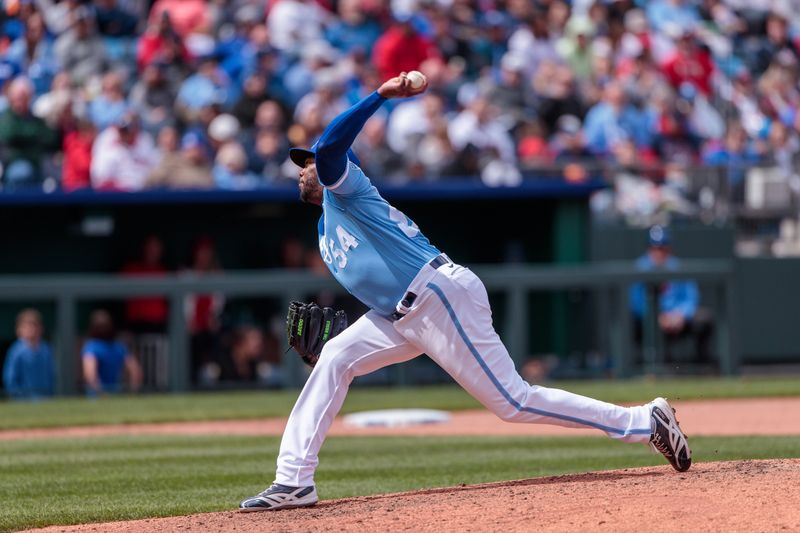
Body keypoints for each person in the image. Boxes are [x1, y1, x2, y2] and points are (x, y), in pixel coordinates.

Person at [239, 73, 692, 512]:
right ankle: (293, 480)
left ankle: (643, 420)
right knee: (335, 358)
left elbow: (333, 145)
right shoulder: (325, 232)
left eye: (310, 163)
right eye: (302, 165)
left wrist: (380, 95)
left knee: (513, 402)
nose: (306, 168)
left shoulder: (347, 189)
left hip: (437, 296)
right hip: (400, 314)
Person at [630, 226, 713, 367]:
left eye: (662, 248)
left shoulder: (677, 267)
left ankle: (700, 368)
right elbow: (635, 302)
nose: (659, 253)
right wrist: (658, 317)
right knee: (633, 323)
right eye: (654, 248)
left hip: (677, 318)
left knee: (703, 319)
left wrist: (681, 315)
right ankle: (644, 367)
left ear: (669, 248)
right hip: (649, 320)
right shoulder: (640, 268)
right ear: (648, 249)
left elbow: (691, 297)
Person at [81, 310, 142, 396]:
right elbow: (135, 371)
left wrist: (101, 393)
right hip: (114, 395)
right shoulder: (119, 347)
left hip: (97, 397)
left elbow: (90, 375)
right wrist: (133, 391)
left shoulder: (92, 347)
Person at [2, 309, 54, 400]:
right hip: (23, 398)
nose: (32, 330)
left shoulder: (46, 349)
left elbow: (51, 375)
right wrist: (16, 394)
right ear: (19, 330)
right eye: (27, 326)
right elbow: (10, 377)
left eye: (35, 326)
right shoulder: (16, 351)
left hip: (44, 396)